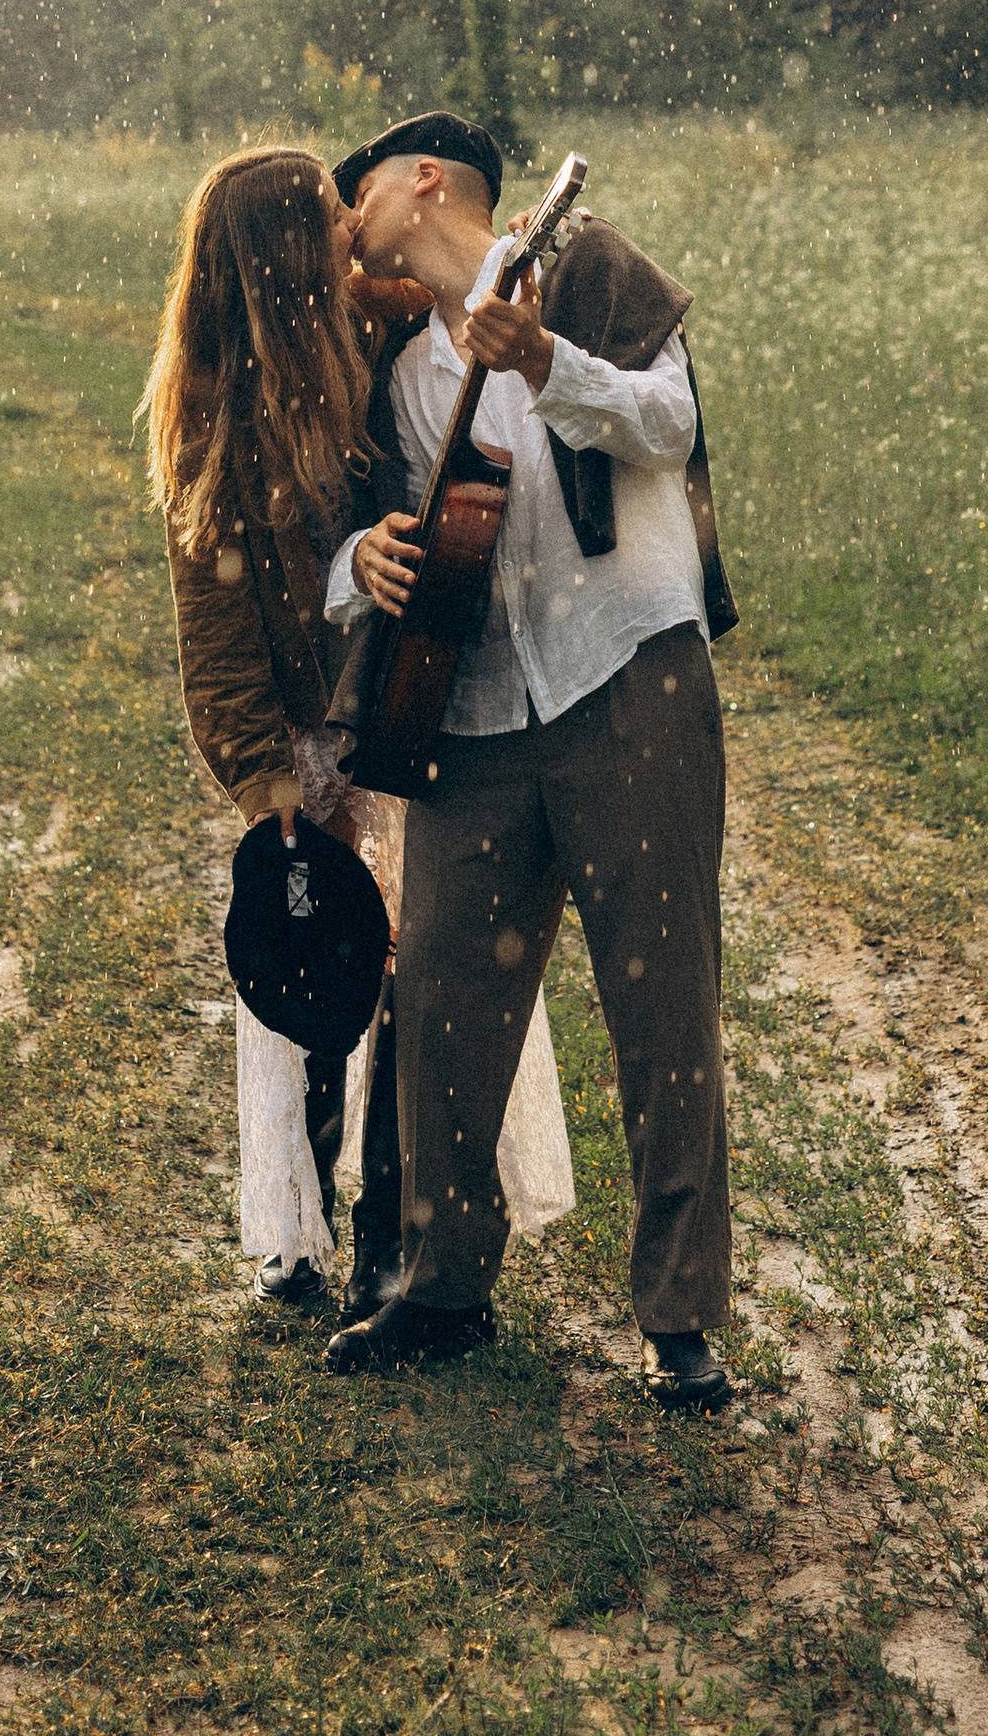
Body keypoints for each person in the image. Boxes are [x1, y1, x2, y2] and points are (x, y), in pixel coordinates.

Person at [319, 111, 740, 1411]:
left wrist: (548, 362)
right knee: (441, 1006)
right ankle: (442, 1291)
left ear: (423, 181)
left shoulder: (588, 263)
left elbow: (667, 428)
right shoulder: (391, 377)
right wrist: (358, 566)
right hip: (477, 716)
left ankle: (679, 1323)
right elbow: (339, 541)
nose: (346, 226)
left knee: (661, 1006)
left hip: (633, 678)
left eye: (357, 197)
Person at [145, 144, 573, 1321]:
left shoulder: (373, 325)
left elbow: (464, 283)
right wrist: (272, 795)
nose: (352, 228)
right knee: (316, 972)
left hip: (407, 701)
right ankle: (302, 1231)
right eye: (328, 218)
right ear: (285, 251)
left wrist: (516, 246)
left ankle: (392, 1228)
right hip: (304, 735)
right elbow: (216, 637)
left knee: (413, 978)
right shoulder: (207, 418)